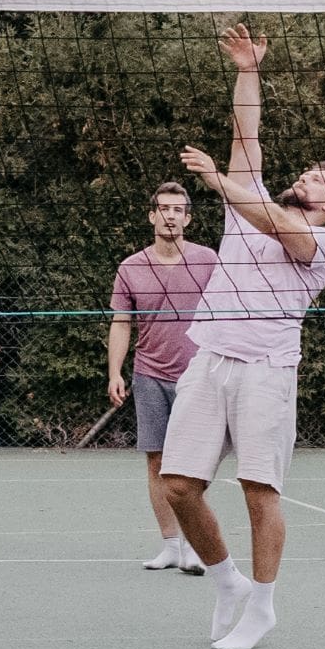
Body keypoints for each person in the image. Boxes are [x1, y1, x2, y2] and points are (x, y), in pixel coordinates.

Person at [164, 23, 325, 649]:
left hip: (267, 368)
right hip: (210, 359)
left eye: (322, 178)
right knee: (179, 486)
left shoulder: (324, 242)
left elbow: (275, 225)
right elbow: (248, 137)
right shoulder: (252, 198)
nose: (309, 175)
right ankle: (228, 584)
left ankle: (263, 605)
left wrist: (220, 181)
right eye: (311, 170)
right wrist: (248, 70)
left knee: (258, 490)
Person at [107, 180, 218, 571]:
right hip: (148, 374)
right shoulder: (131, 267)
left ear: (187, 218)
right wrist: (114, 372)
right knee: (156, 461)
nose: (170, 216)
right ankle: (171, 546)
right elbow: (121, 323)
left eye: (178, 210)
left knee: (190, 465)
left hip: (199, 376)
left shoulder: (209, 260)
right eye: (164, 209)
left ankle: (193, 545)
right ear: (152, 215)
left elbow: (227, 315)